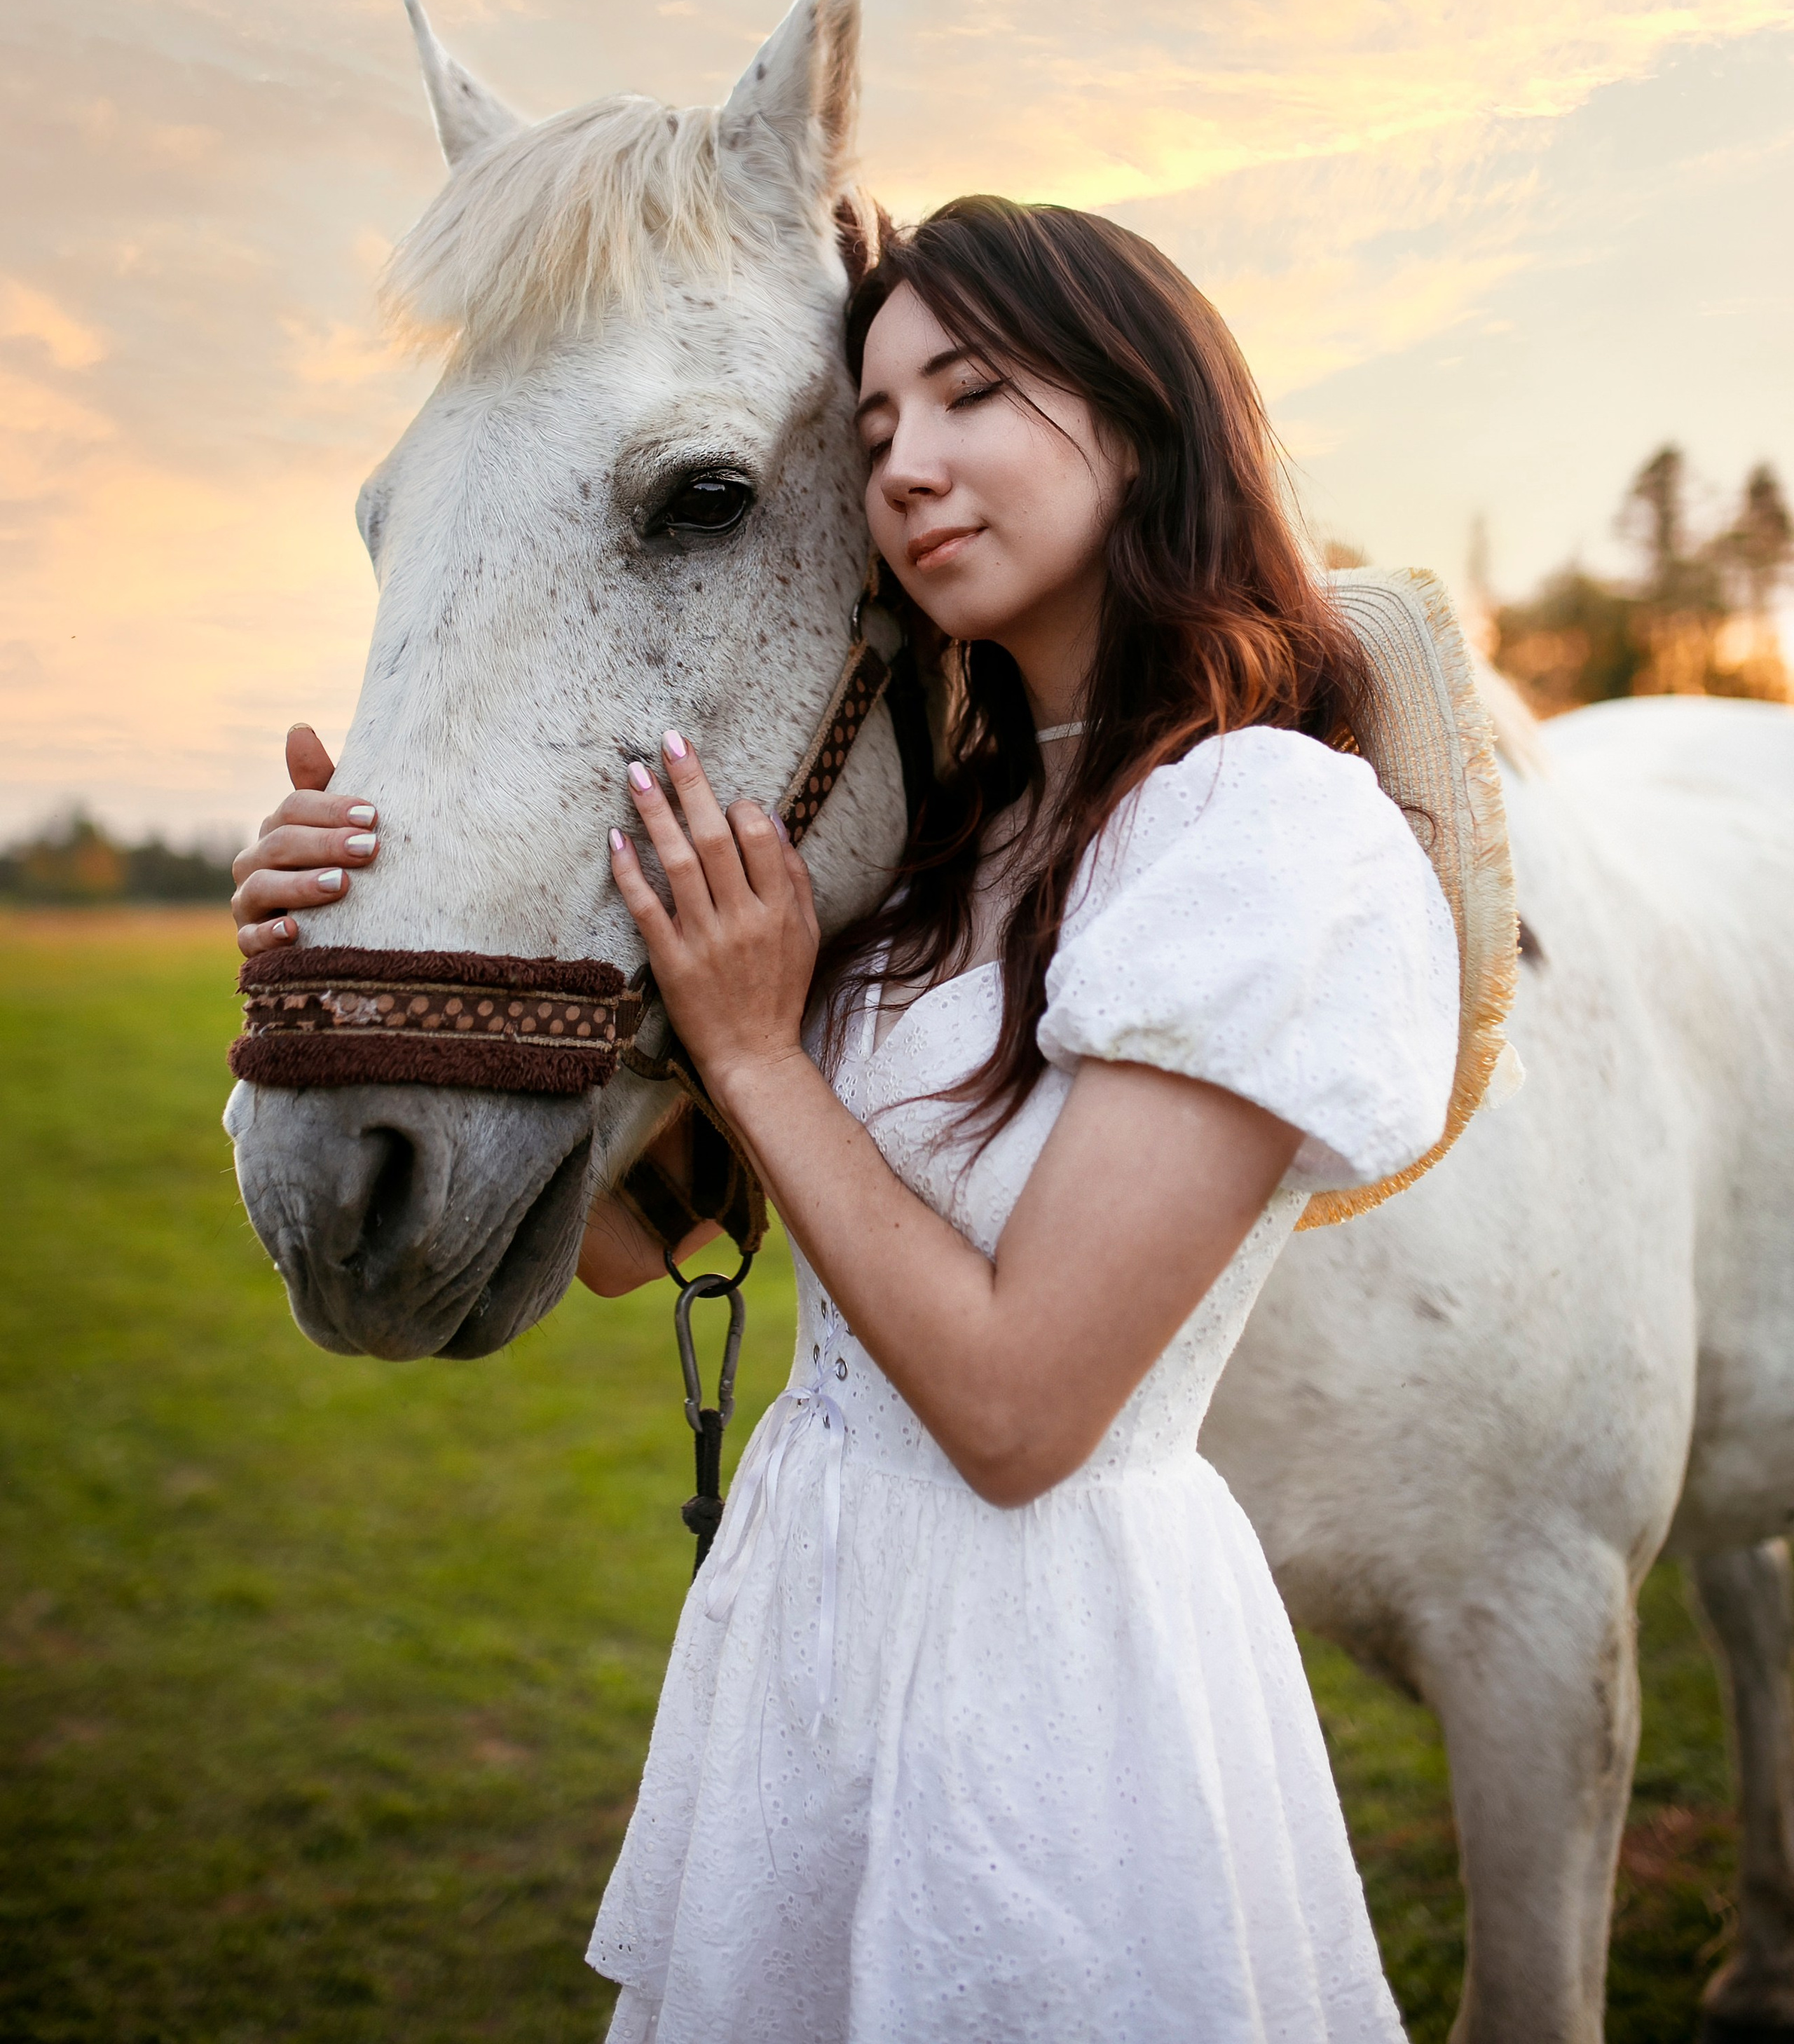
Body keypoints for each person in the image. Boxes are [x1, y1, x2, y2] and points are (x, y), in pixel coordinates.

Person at [232, 197, 1459, 2042]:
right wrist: (342, 972)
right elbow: (629, 1248)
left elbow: (1025, 1409)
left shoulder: (1264, 838)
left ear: (1143, 413)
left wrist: (755, 1053)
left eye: (969, 395)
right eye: (873, 429)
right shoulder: (937, 844)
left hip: (1054, 1686)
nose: (908, 467)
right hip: (813, 1633)